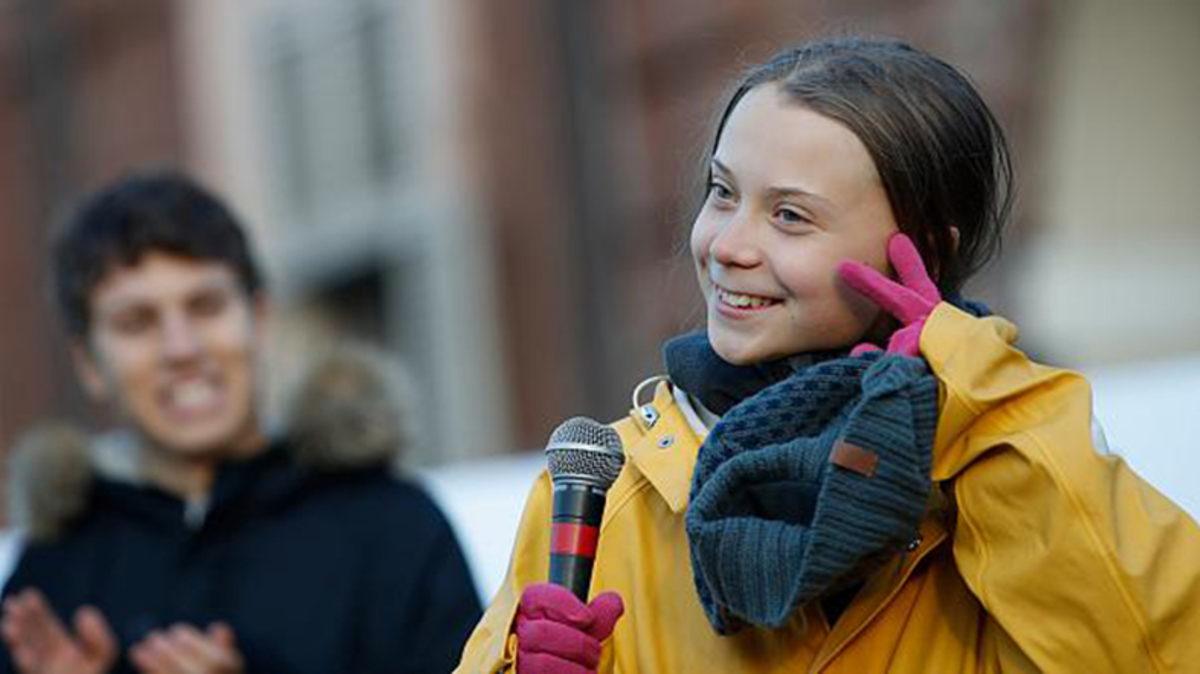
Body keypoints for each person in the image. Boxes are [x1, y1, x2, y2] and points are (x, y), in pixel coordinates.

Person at [456, 36, 1200, 673]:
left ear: (919, 252)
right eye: (722, 192)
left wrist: (977, 392)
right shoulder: (604, 497)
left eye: (789, 215)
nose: (727, 246)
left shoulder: (1011, 458)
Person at [0, 171, 482, 674]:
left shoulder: (393, 529)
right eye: (137, 322)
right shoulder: (53, 574)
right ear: (89, 364)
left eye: (205, 306)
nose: (181, 349)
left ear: (259, 318)